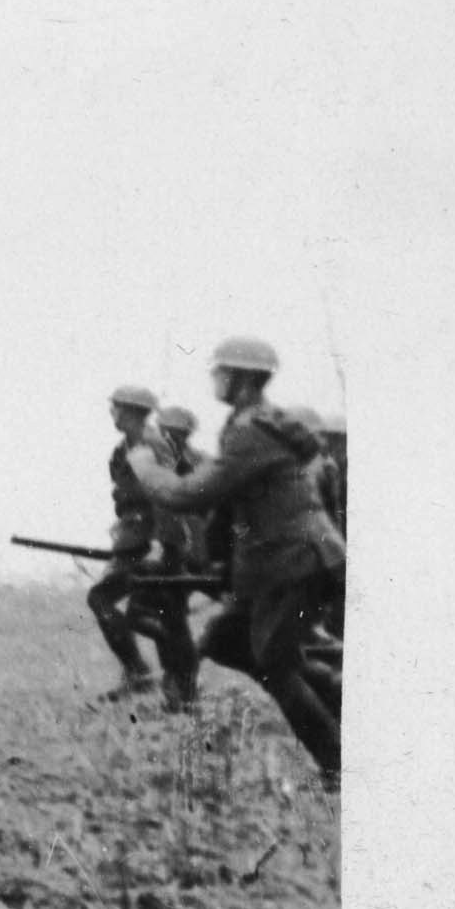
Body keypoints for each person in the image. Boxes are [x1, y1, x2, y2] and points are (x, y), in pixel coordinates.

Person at [129, 336, 343, 785]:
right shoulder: (247, 425)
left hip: (295, 559)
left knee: (275, 665)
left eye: (219, 371)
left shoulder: (253, 432)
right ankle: (337, 697)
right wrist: (218, 564)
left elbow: (190, 494)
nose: (214, 378)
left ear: (241, 378)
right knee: (226, 640)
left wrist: (145, 464)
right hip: (279, 562)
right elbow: (229, 511)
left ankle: (338, 765)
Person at [83, 383, 203, 707]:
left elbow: (165, 495)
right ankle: (180, 693)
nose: (112, 413)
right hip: (135, 539)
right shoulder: (126, 448)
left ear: (130, 412)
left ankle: (141, 672)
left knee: (104, 599)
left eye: (116, 407)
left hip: (155, 542)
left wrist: (160, 544)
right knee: (169, 616)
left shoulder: (152, 445)